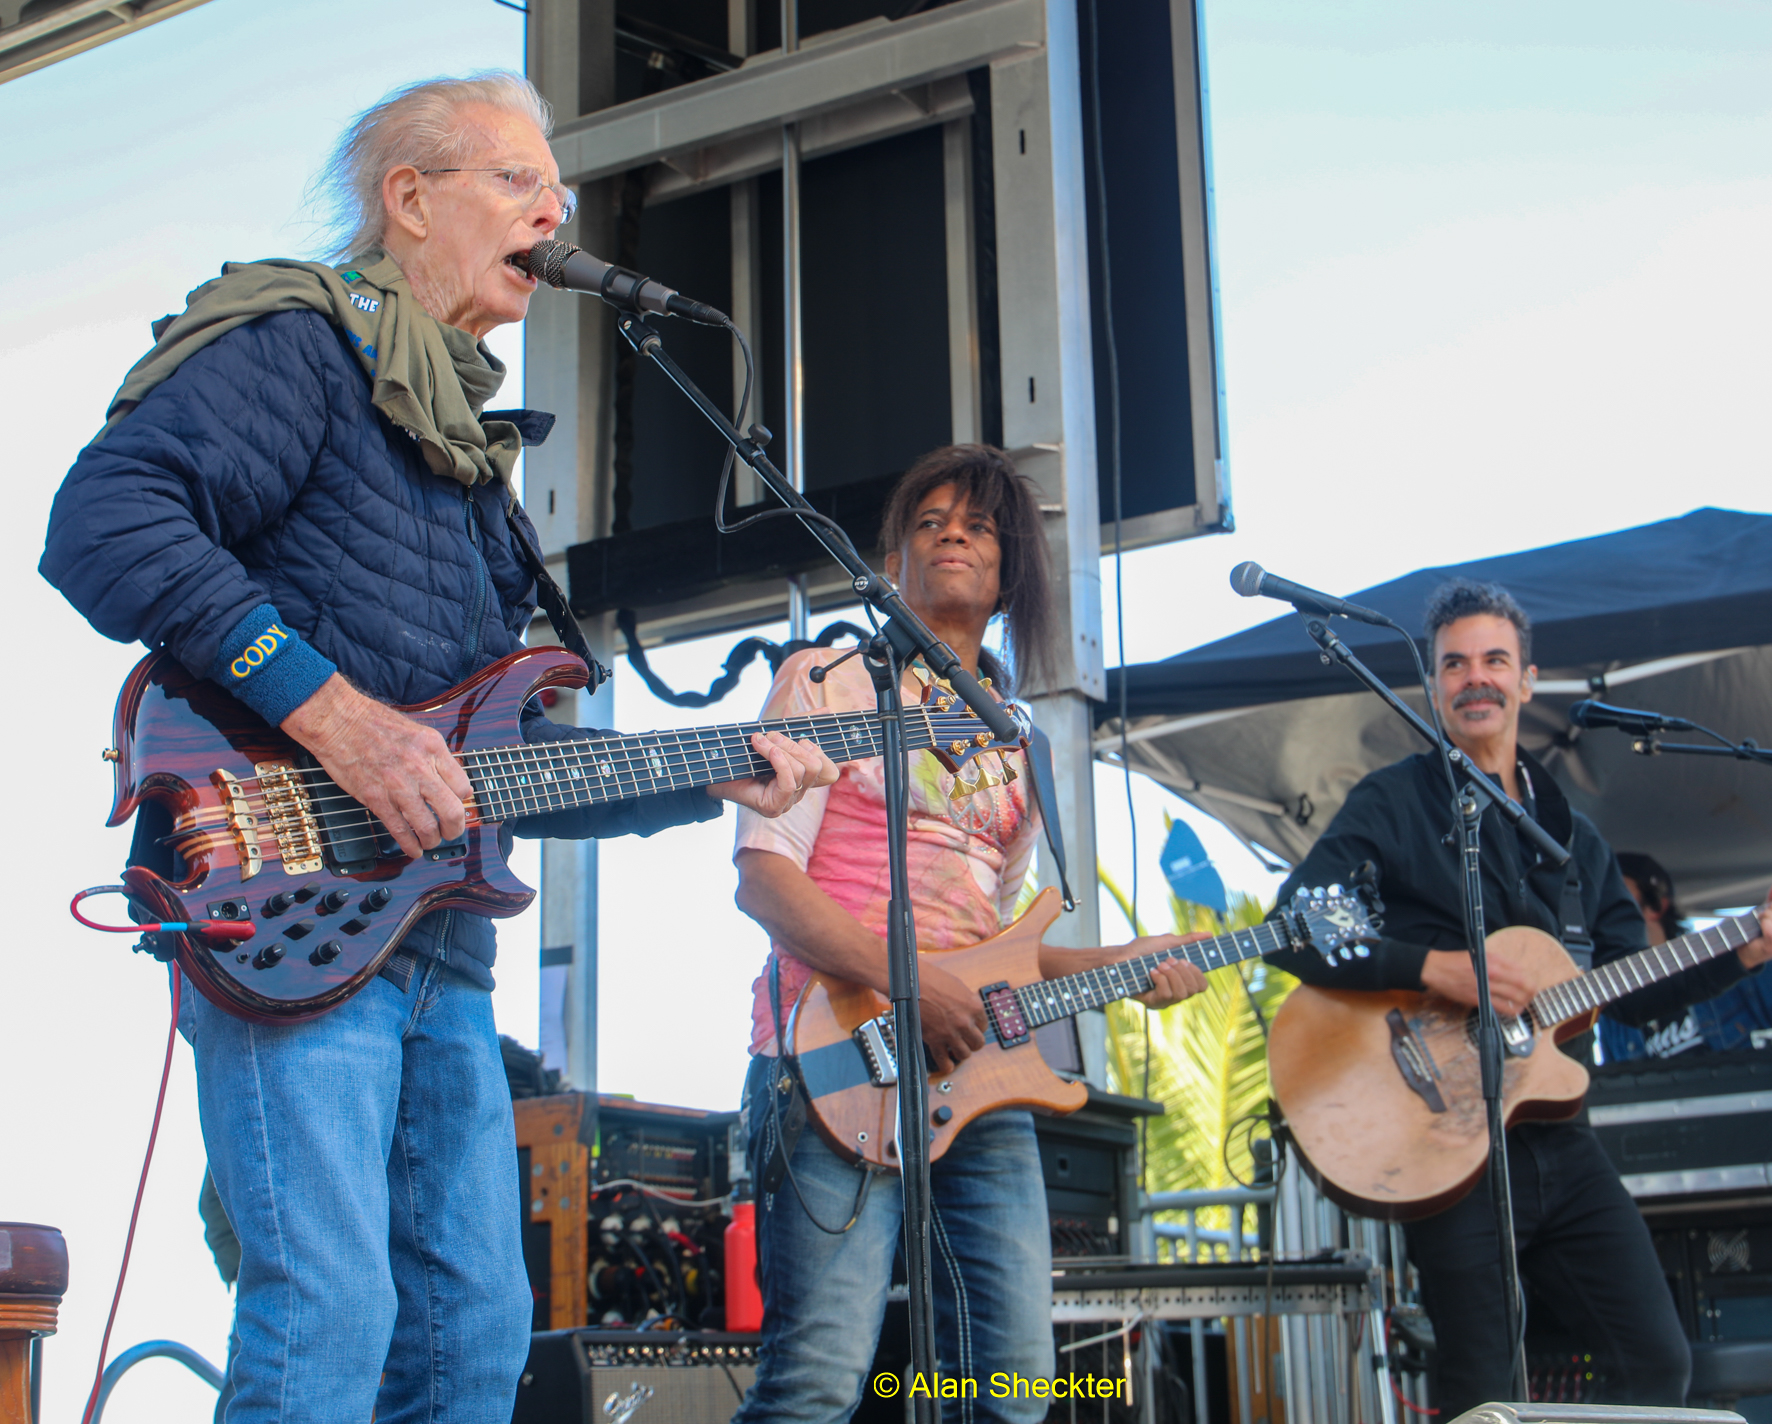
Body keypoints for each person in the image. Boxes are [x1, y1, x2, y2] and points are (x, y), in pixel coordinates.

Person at [39, 73, 835, 1424]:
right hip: (277, 911)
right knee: (328, 1321)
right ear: (410, 200)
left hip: (438, 954)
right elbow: (104, 522)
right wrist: (333, 714)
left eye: (560, 193)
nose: (557, 210)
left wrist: (710, 770)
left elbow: (503, 763)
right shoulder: (301, 346)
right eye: (519, 183)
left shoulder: (471, 466)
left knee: (474, 1338)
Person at [729, 445, 1206, 1424]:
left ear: (1011, 567)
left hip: (975, 1079)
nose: (952, 531)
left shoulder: (1019, 739)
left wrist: (1121, 963)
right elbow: (764, 879)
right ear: (893, 556)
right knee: (813, 1386)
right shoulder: (823, 679)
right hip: (829, 1056)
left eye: (978, 523)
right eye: (930, 518)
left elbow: (1002, 948)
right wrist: (909, 984)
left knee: (1017, 1381)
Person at [1264, 579, 1772, 1417]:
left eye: (1494, 661)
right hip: (1445, 1134)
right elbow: (1296, 925)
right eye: (1454, 664)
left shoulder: (1575, 840)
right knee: (1483, 1385)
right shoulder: (1394, 804)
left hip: (1561, 1140)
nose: (1474, 678)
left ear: (1526, 680)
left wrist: (1742, 950)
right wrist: (1433, 967)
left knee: (1658, 1362)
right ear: (1434, 686)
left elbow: (1638, 994)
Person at [1600, 853, 1772, 1060]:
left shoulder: (1740, 964)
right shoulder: (1608, 1010)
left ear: (1657, 905)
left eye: (1617, 896)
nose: (1602, 909)